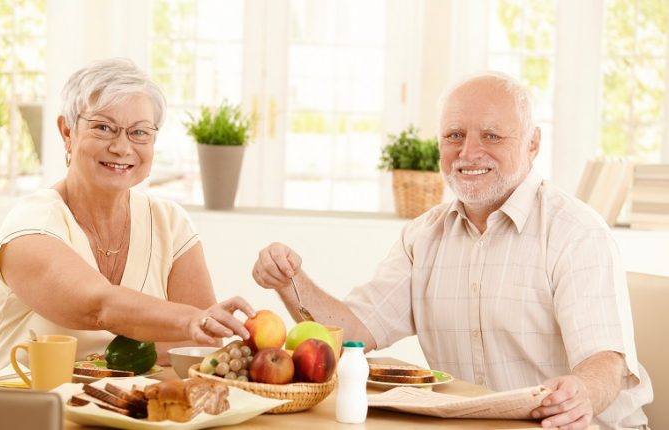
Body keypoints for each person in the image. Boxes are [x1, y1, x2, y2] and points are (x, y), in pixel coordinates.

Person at [252, 72, 651, 429]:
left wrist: (580, 391)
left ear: (532, 144)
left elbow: (606, 362)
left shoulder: (575, 232)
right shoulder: (423, 236)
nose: (468, 152)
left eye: (492, 135)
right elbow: (353, 334)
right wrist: (291, 283)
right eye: (454, 135)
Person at [0, 58, 254, 375]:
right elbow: (98, 306)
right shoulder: (31, 222)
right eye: (103, 127)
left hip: (127, 415)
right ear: (67, 131)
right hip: (19, 410)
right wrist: (189, 320)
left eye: (139, 132)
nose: (122, 147)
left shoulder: (170, 223)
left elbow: (197, 352)